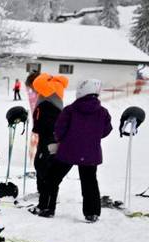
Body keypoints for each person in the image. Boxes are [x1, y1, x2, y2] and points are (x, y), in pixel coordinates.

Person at [36, 79, 111, 220]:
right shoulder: (102, 112)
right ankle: (92, 213)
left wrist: (64, 140)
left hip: (68, 151)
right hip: (90, 153)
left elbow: (59, 130)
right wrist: (91, 138)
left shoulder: (70, 110)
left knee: (52, 179)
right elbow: (106, 130)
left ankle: (46, 208)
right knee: (90, 183)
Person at [28, 73, 68, 216]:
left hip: (49, 136)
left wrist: (38, 128)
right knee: (45, 169)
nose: (33, 90)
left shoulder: (48, 92)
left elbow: (45, 119)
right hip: (51, 136)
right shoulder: (53, 90)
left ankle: (46, 206)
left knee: (44, 169)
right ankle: (45, 203)